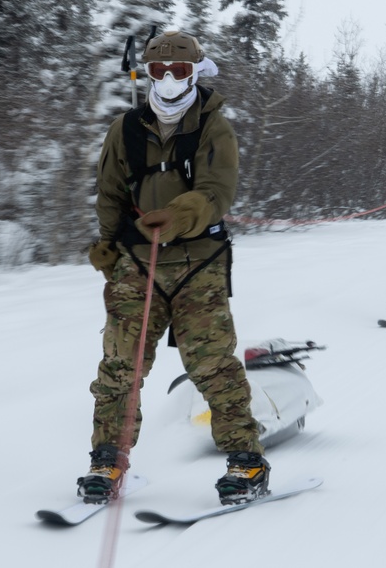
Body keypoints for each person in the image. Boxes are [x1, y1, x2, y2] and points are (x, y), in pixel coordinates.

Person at [81, 30, 268, 506]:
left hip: (197, 262)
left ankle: (246, 460)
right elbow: (110, 191)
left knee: (211, 364)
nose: (166, 80)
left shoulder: (214, 127)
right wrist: (107, 243)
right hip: (137, 264)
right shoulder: (125, 128)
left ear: (195, 73)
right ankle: (107, 460)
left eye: (178, 72)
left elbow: (216, 192)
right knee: (120, 366)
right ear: (147, 73)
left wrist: (180, 215)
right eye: (158, 72)